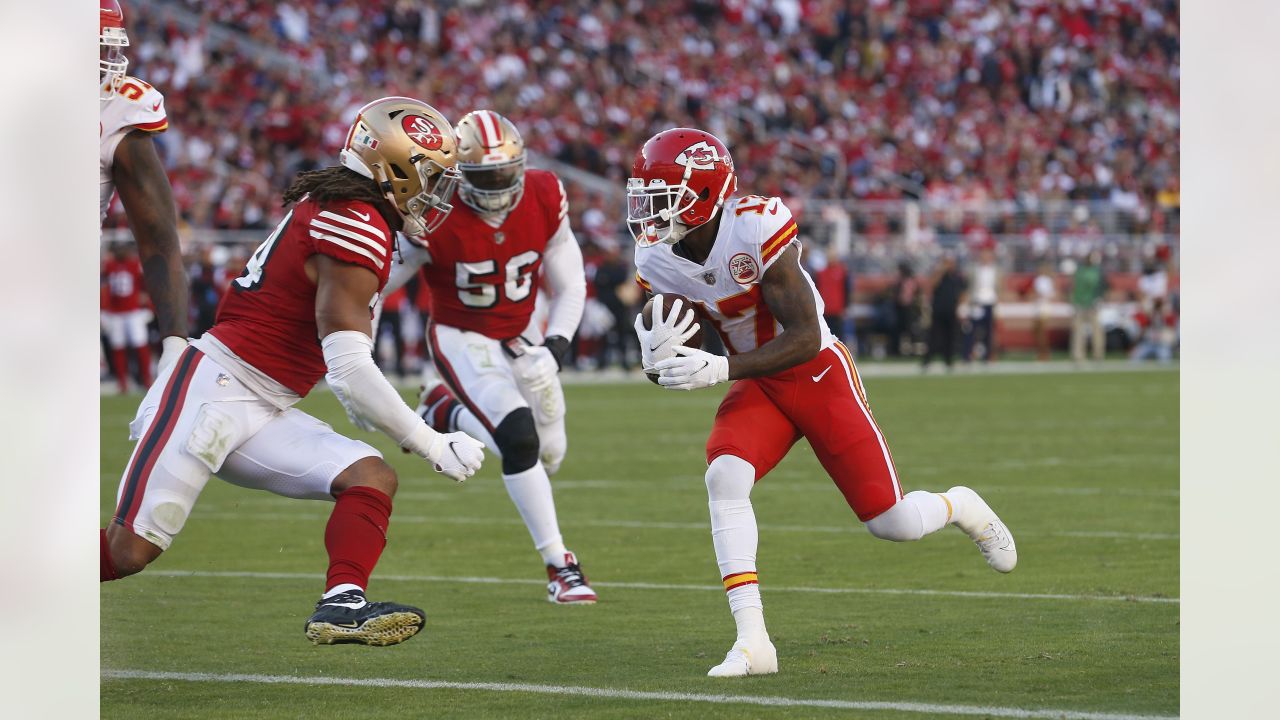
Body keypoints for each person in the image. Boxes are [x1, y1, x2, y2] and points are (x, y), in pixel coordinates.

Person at [627, 128, 1016, 678]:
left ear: (707, 195)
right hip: (759, 385)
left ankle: (960, 505)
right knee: (725, 479)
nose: (649, 208)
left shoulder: (754, 224)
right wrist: (653, 344)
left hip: (814, 374)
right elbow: (666, 317)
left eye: (663, 194)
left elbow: (806, 334)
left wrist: (722, 367)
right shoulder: (659, 253)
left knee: (894, 524)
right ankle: (753, 643)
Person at [100, 97, 487, 647]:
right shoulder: (355, 221)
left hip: (264, 401)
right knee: (128, 551)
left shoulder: (351, 209)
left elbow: (351, 309)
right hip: (213, 389)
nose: (436, 194)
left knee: (370, 477)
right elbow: (349, 368)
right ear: (395, 168)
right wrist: (429, 441)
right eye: (430, 177)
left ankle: (341, 601)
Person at [380, 110, 597, 604]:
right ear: (458, 173)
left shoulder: (545, 192)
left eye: (505, 173)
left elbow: (570, 281)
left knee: (550, 454)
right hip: (463, 335)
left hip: (522, 332)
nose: (499, 186)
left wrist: (556, 345)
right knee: (519, 439)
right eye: (486, 176)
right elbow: (373, 289)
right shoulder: (432, 210)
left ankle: (443, 411)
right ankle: (561, 565)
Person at [100, 0, 189, 379]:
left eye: (106, 46)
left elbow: (159, 238)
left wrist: (174, 341)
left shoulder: (117, 108)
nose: (106, 58)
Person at [101, 242, 153, 392]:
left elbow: (147, 283)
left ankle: (146, 379)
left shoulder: (135, 264)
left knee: (141, 346)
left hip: (133, 311)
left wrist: (147, 303)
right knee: (118, 347)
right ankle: (122, 382)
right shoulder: (109, 265)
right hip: (115, 313)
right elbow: (103, 287)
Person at [921, 254, 966, 371]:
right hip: (938, 309)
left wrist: (960, 308)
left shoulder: (957, 276)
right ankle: (927, 361)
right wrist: (941, 271)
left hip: (951, 310)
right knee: (934, 337)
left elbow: (961, 292)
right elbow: (932, 285)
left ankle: (948, 361)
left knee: (950, 337)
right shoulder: (938, 274)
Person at [1070, 250, 1107, 363]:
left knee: (1097, 330)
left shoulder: (1097, 271)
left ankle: (1098, 354)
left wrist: (1099, 299)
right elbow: (1075, 287)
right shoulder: (1081, 271)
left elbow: (1101, 287)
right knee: (1078, 331)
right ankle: (1078, 355)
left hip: (1092, 304)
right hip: (1080, 303)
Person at [964, 246, 1000, 362]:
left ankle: (987, 356)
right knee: (971, 330)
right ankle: (967, 355)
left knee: (988, 332)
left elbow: (999, 288)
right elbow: (969, 287)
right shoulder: (974, 269)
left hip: (990, 303)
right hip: (977, 303)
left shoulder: (996, 271)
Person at [1032, 261, 1056, 361]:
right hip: (1039, 306)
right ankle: (1042, 351)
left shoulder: (1046, 280)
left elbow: (1048, 294)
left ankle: (1044, 353)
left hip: (1044, 306)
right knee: (1037, 331)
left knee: (1041, 331)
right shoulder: (1039, 280)